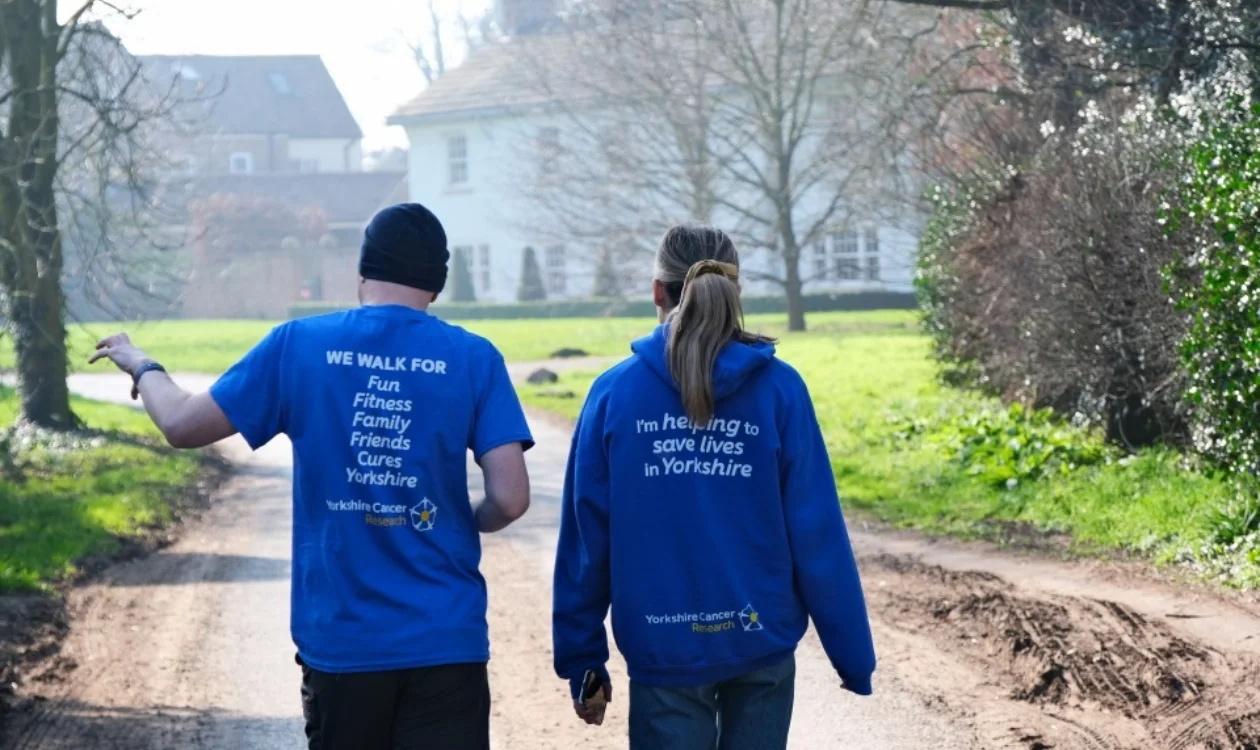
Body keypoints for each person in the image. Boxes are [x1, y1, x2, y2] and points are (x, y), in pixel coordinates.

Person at [91, 203, 534, 750]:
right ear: (436, 286)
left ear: (362, 274)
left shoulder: (299, 344)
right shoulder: (474, 358)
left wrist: (142, 365)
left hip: (345, 644)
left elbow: (182, 424)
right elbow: (510, 499)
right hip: (447, 639)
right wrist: (466, 521)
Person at [552, 224, 876, 749]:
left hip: (664, 646)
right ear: (736, 291)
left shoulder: (614, 394)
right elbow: (817, 533)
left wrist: (582, 657)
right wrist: (853, 656)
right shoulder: (781, 390)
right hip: (759, 641)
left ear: (658, 292)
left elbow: (587, 542)